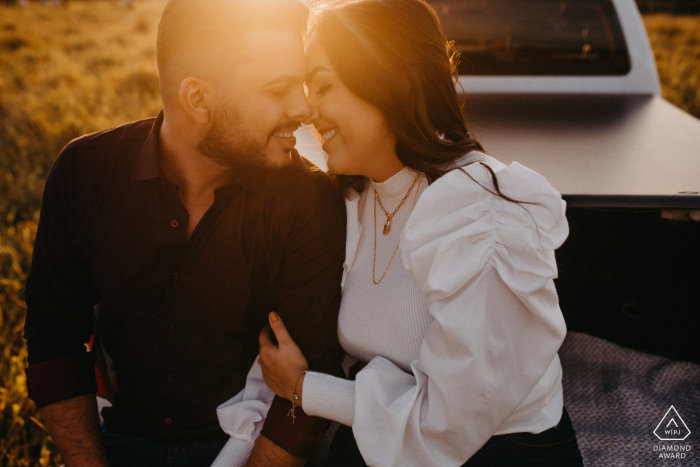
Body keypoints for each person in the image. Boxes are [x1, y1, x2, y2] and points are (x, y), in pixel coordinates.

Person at [250, 0, 586, 465]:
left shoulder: (481, 216)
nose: (308, 109)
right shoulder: (351, 198)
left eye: (323, 85)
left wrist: (305, 389)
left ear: (392, 80)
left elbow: (447, 422)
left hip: (496, 454)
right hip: (380, 440)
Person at [22, 0, 345, 466]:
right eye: (278, 89)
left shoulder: (308, 200)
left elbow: (314, 379)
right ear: (198, 99)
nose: (302, 107)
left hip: (247, 449)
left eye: (301, 85)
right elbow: (53, 343)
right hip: (110, 445)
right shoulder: (84, 173)